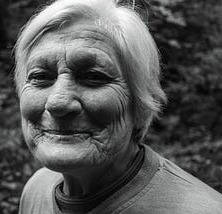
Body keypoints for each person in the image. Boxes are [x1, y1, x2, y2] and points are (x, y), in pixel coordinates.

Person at [14, 0, 222, 213]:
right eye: (40, 77)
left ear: (140, 103)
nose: (58, 102)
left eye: (94, 77)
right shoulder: (37, 190)